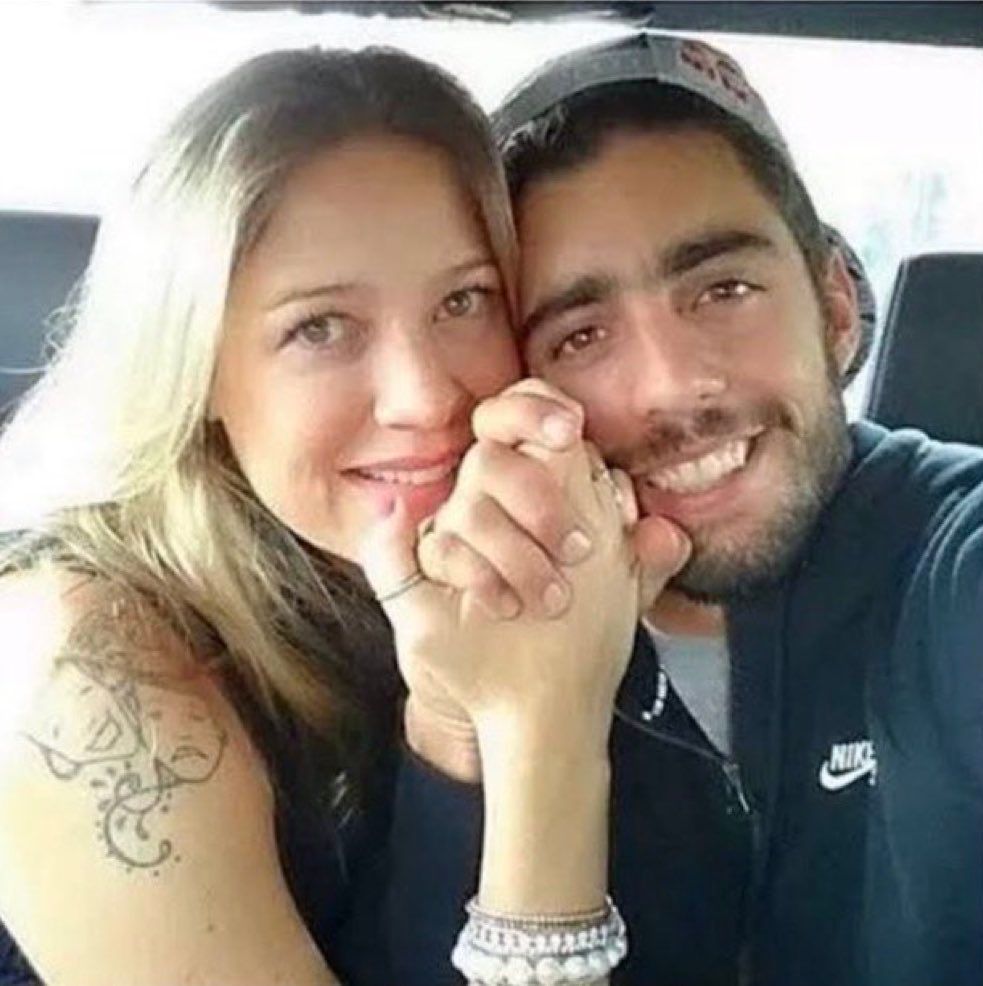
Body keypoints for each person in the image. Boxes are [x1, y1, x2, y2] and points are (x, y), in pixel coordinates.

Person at [0, 45, 676, 986]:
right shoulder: (84, 669)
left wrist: (458, 726)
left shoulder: (470, 556)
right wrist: (542, 729)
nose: (424, 396)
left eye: (464, 300)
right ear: (195, 368)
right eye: (319, 328)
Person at [385, 32, 983, 986]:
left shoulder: (950, 560)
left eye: (724, 289)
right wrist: (467, 728)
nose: (670, 387)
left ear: (834, 307)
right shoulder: (458, 629)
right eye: (580, 336)